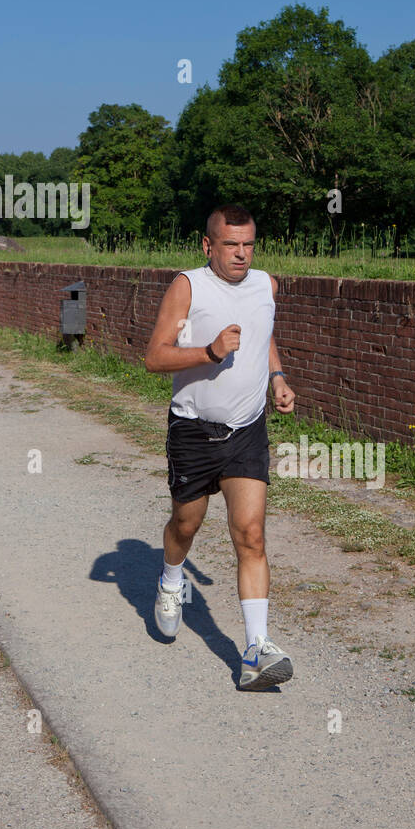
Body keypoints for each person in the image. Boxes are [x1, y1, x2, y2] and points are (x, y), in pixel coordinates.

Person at [144, 203, 296, 690]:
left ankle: (255, 650)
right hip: (193, 430)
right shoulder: (188, 285)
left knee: (250, 534)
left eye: (248, 244)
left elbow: (263, 331)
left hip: (247, 429)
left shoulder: (265, 284)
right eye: (230, 245)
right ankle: (171, 579)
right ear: (208, 245)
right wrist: (209, 352)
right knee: (186, 525)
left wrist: (276, 377)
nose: (241, 254)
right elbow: (154, 357)